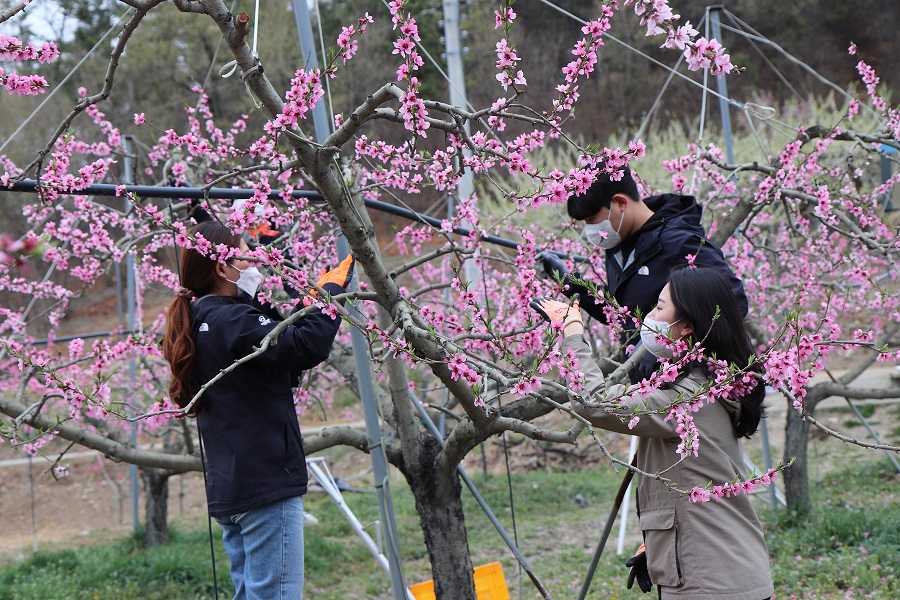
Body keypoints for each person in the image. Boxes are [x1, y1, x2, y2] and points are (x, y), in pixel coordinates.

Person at [539, 267, 774, 599]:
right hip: (728, 573)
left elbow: (592, 402)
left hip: (710, 585)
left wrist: (573, 330)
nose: (648, 316)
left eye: (659, 307)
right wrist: (660, 545)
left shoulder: (687, 398)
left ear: (687, 327)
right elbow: (692, 479)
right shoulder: (713, 384)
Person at [162, 220, 354, 599]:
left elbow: (274, 346)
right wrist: (330, 293)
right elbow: (305, 346)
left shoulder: (205, 319)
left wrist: (304, 304)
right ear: (221, 266)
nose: (254, 263)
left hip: (233, 484)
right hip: (265, 483)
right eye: (245, 255)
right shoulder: (229, 318)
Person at [537, 167, 747, 382]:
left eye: (592, 219)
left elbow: (733, 301)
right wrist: (571, 284)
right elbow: (621, 310)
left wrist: (663, 345)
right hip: (650, 390)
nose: (590, 229)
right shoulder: (618, 248)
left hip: (691, 387)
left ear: (620, 203)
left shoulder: (678, 242)